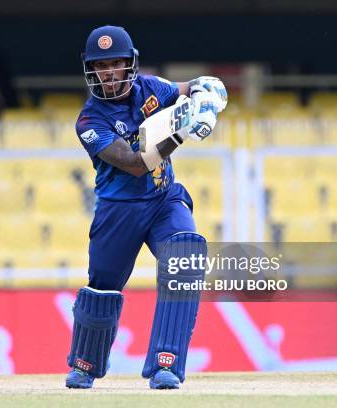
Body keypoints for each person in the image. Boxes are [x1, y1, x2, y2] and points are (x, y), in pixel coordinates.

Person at [65, 25, 227, 390]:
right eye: (100, 65)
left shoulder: (151, 88)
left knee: (185, 255)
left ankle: (165, 365)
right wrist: (180, 131)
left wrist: (209, 94)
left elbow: (192, 87)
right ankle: (85, 364)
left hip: (163, 199)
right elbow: (136, 162)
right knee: (103, 288)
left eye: (115, 63)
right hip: (119, 210)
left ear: (130, 64)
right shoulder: (90, 120)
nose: (107, 72)